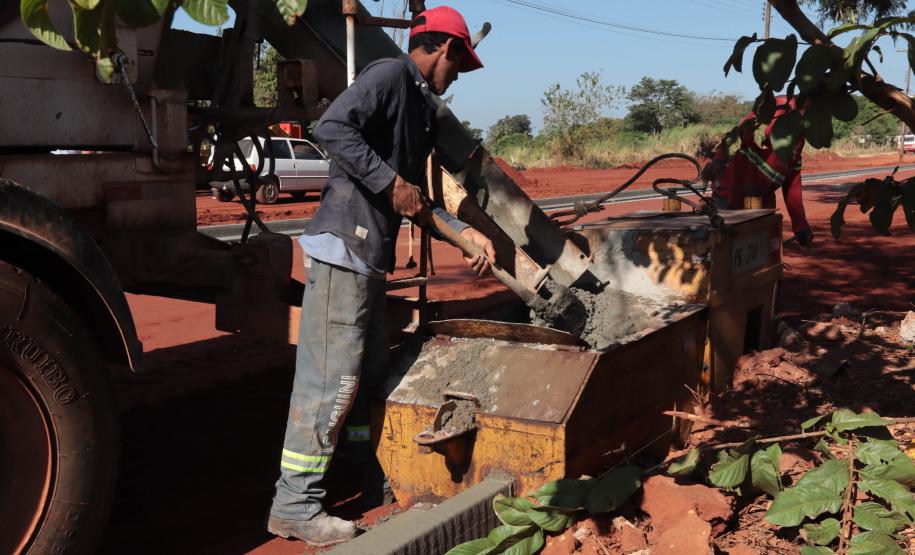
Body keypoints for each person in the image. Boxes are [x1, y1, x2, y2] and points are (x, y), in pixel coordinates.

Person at [266, 6, 495, 547]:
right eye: (459, 63)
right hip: (343, 248)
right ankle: (294, 504)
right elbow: (331, 127)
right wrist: (390, 182)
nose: (458, 75)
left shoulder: (417, 106)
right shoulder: (389, 76)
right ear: (445, 48)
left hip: (367, 259)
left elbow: (414, 201)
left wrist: (469, 236)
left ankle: (367, 472)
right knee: (330, 383)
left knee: (368, 374)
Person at [702, 96, 813, 248]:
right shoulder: (777, 107)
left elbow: (792, 180)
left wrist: (800, 224)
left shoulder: (799, 138)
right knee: (725, 253)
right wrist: (718, 162)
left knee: (760, 259)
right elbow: (738, 135)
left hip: (761, 203)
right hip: (730, 194)